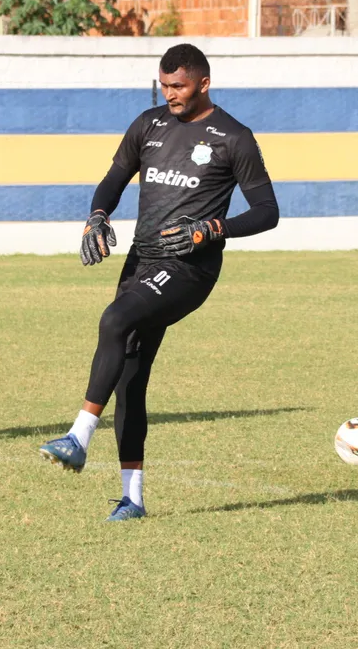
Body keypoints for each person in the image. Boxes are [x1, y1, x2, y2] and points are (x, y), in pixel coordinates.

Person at [38, 44, 280, 520]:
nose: (169, 94)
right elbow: (114, 177)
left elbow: (267, 211)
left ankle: (79, 436)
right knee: (129, 379)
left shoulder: (234, 137)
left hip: (190, 269)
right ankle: (133, 499)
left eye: (179, 86)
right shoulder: (148, 125)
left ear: (203, 84)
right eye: (164, 85)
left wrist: (213, 228)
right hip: (141, 261)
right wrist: (98, 216)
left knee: (114, 319)